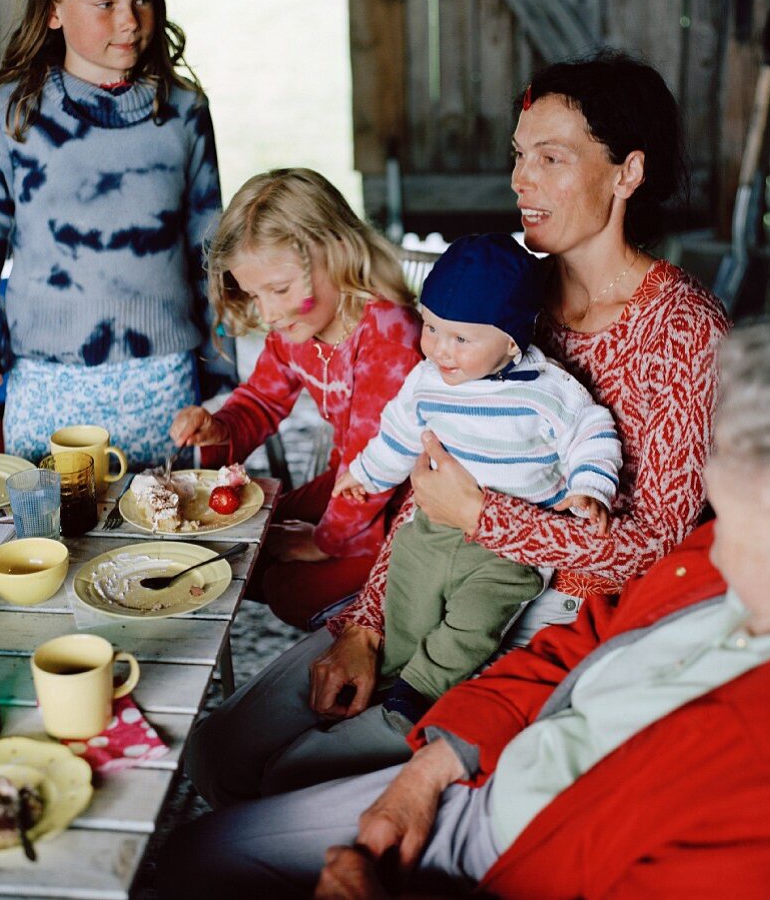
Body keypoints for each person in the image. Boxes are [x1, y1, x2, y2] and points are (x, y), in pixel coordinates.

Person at [182, 50, 729, 807]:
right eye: (518, 156)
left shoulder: (684, 331)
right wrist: (365, 627)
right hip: (423, 572)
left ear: (627, 173)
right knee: (217, 753)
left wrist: (482, 516)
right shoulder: (500, 302)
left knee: (287, 776)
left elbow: (654, 551)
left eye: (550, 158)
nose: (520, 179)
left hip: (558, 616)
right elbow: (423, 473)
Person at [156, 312, 770, 900]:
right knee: (200, 826)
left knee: (193, 861)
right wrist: (432, 765)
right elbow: (579, 643)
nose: (704, 483)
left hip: (520, 840)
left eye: (724, 460)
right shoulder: (713, 564)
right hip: (484, 760)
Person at [0, 0, 221, 469]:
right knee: (54, 541)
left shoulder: (185, 112)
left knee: (161, 541)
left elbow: (211, 253)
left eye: (142, 0)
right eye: (106, 4)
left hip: (161, 381)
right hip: (45, 383)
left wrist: (224, 382)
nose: (130, 21)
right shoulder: (12, 114)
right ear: (54, 12)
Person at [332, 232, 622, 734]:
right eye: (429, 327)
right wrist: (364, 474)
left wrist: (590, 486)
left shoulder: (548, 392)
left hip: (508, 550)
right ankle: (392, 669)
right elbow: (398, 433)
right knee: (407, 593)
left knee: (476, 620)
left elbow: (592, 432)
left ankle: (421, 688)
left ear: (511, 339)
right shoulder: (425, 381)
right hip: (434, 529)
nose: (439, 349)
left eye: (460, 338)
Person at [169, 168, 422, 629]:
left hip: (407, 502)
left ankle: (381, 618)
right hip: (348, 481)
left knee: (284, 587)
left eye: (280, 290)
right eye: (253, 295)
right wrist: (218, 427)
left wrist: (326, 542)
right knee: (246, 539)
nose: (267, 312)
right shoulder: (296, 331)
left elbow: (375, 467)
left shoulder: (388, 333)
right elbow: (262, 402)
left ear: (337, 251)